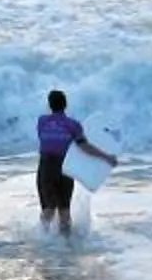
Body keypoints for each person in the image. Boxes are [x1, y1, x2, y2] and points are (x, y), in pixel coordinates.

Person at [34, 89, 118, 234]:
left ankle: (43, 240)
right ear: (65, 105)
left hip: (46, 167)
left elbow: (47, 140)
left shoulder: (42, 121)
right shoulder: (73, 125)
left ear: (49, 105)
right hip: (65, 168)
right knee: (64, 213)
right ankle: (66, 245)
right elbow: (84, 147)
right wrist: (107, 157)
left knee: (48, 210)